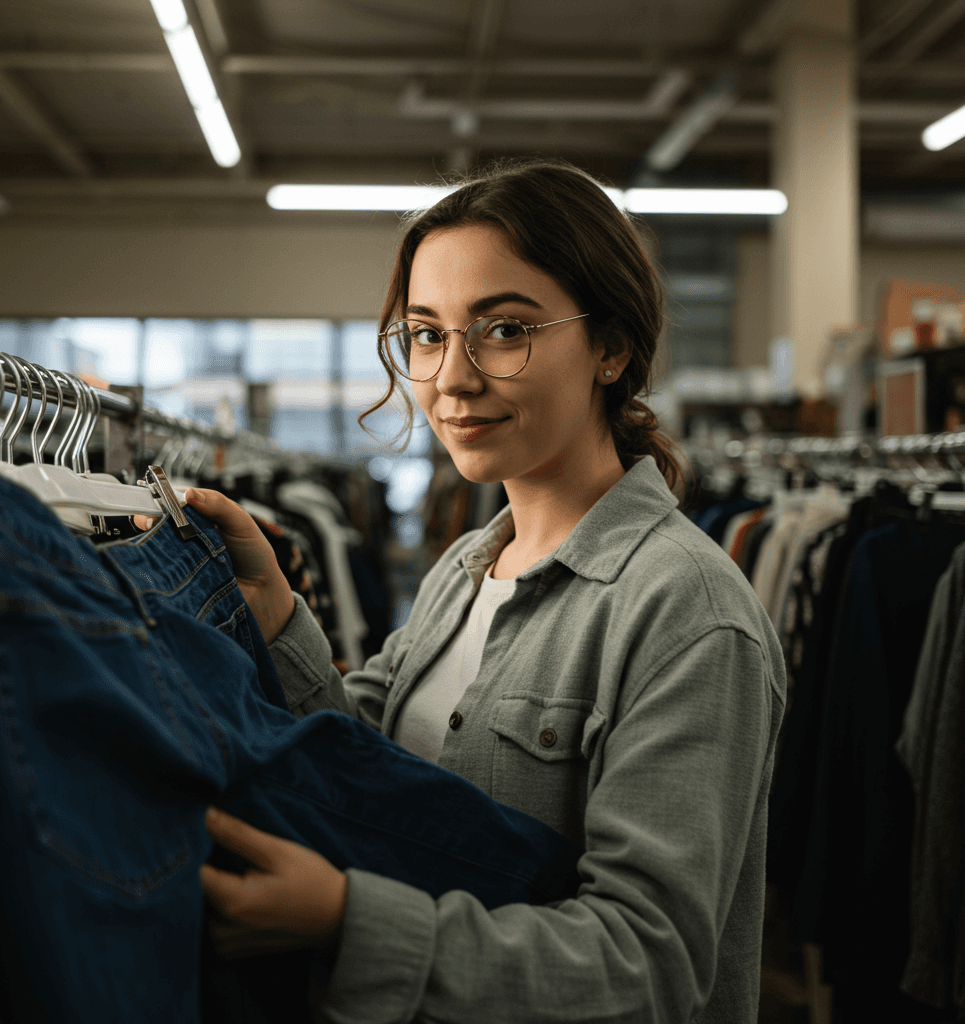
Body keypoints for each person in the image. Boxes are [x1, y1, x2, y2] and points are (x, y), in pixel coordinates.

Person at [189, 159, 786, 1023]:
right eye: (426, 335)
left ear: (612, 348)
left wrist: (351, 924)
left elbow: (649, 966)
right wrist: (279, 617)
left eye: (504, 330)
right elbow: (374, 775)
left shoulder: (687, 612)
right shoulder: (466, 567)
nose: (451, 379)